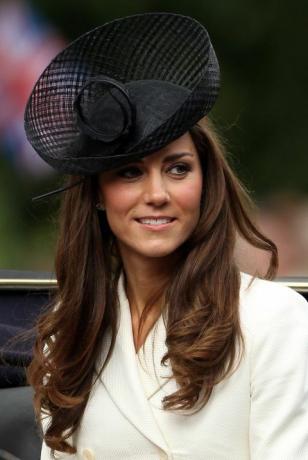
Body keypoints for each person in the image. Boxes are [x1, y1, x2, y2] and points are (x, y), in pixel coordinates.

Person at [24, 13, 308, 460]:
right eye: (130, 172)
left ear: (206, 182)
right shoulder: (69, 331)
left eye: (178, 169)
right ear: (98, 194)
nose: (156, 194)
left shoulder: (275, 321)